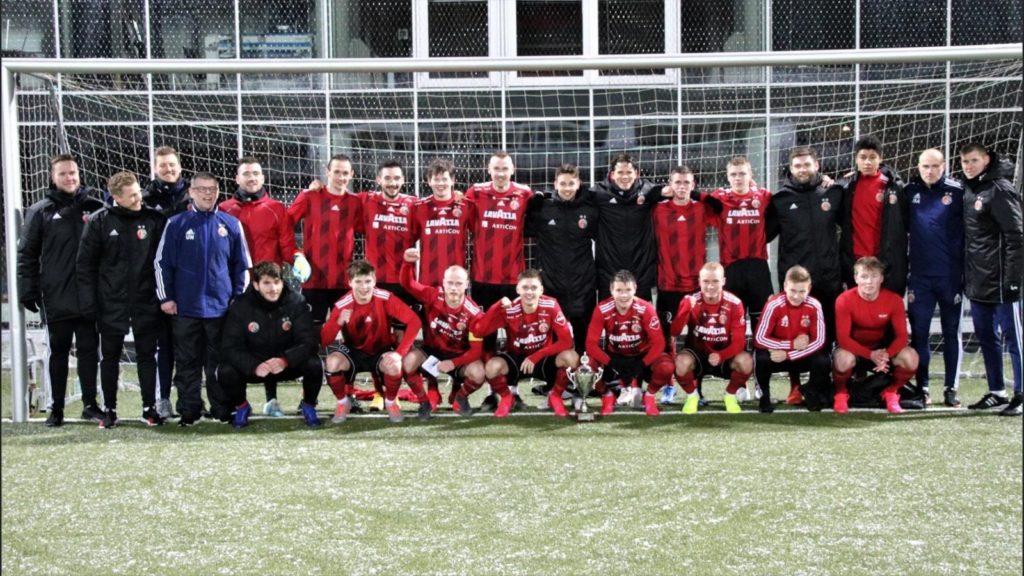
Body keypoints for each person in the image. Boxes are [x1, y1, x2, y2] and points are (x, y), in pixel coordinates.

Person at [155, 172, 252, 425]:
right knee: (187, 363)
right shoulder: (176, 224)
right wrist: (166, 298)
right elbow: (161, 263)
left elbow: (242, 266)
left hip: (220, 309)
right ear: (191, 192)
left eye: (212, 189)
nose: (207, 194)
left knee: (218, 364)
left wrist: (237, 299)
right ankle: (190, 410)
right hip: (185, 308)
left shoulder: (230, 224)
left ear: (218, 192)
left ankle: (221, 409)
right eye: (202, 189)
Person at [18, 154, 105, 426]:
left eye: (73, 173)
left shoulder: (96, 207)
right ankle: (56, 407)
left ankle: (90, 404)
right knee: (59, 350)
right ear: (53, 177)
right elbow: (27, 254)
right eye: (63, 174)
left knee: (90, 350)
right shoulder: (40, 210)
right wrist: (27, 290)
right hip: (57, 294)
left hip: (90, 293)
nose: (70, 178)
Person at [77, 172, 167, 428]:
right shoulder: (99, 221)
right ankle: (109, 409)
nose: (139, 198)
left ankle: (149, 408)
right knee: (110, 356)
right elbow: (85, 266)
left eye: (139, 192)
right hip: (111, 301)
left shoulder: (154, 219)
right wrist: (89, 303)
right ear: (117, 198)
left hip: (146, 299)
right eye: (132, 195)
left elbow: (165, 262)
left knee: (147, 355)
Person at [220, 156, 305, 417]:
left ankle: (272, 400)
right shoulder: (224, 209)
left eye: (256, 173)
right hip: (236, 286)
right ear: (237, 178)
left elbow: (287, 244)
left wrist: (297, 258)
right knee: (238, 342)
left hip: (270, 287)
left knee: (272, 339)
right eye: (246, 174)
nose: (252, 178)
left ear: (263, 177)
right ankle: (237, 403)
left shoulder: (275, 207)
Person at [766, 146, 843, 406]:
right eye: (797, 166)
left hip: (828, 277)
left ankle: (826, 384)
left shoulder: (832, 193)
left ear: (817, 165)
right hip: (796, 284)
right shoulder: (780, 200)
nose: (802, 169)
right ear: (790, 169)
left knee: (829, 333)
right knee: (794, 333)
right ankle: (795, 386)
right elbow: (763, 235)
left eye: (806, 164)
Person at [464, 151, 534, 409]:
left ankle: (513, 391)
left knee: (518, 337)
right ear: (489, 169)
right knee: (487, 338)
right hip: (483, 279)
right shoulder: (476, 193)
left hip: (514, 280)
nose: (501, 173)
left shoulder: (525, 194)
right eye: (496, 168)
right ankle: (494, 392)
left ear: (512, 170)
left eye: (505, 168)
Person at [219, 261, 323, 428]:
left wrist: (285, 360)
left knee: (314, 364)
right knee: (225, 371)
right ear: (256, 285)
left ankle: (308, 405)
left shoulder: (296, 302)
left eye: (277, 282)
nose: (273, 288)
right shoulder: (241, 305)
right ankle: (242, 406)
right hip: (256, 365)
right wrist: (253, 365)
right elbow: (230, 346)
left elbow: (308, 341)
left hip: (286, 364)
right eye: (266, 283)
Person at [320, 260, 426, 424]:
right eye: (358, 282)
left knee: (395, 364)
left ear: (374, 281)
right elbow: (325, 340)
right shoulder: (343, 304)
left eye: (368, 281)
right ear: (350, 283)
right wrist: (338, 322)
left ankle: (390, 402)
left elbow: (415, 322)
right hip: (353, 350)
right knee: (332, 363)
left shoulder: (385, 298)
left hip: (380, 349)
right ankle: (343, 403)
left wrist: (399, 353)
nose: (364, 287)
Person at [960, 143, 1023, 416]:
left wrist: (1013, 280)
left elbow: (1017, 237)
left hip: (1002, 283)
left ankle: (1020, 394)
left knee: (1015, 340)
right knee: (987, 338)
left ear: (986, 159)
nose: (969, 166)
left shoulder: (1000, 189)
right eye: (964, 162)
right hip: (979, 281)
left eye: (974, 160)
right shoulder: (971, 189)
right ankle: (997, 391)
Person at [472, 269, 578, 418]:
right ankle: (507, 397)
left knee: (571, 357)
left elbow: (567, 341)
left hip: (542, 359)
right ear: (517, 289)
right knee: (492, 366)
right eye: (525, 288)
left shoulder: (551, 305)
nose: (529, 292)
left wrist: (537, 356)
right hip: (517, 360)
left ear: (541, 290)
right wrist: (497, 305)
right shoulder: (510, 310)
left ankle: (555, 396)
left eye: (534, 288)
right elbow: (478, 331)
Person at [905, 148, 965, 407]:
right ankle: (923, 388)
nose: (929, 171)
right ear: (918, 167)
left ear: (944, 166)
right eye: (924, 166)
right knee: (919, 334)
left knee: (951, 333)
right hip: (919, 277)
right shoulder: (909, 193)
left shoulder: (958, 192)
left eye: (934, 166)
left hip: (950, 277)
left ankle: (951, 388)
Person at [399, 248, 487, 414]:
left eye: (459, 283)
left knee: (478, 372)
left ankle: (460, 396)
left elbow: (476, 352)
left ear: (466, 285)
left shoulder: (475, 314)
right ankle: (424, 402)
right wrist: (407, 263)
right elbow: (408, 284)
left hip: (459, 356)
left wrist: (453, 363)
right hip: (432, 352)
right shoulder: (433, 295)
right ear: (443, 283)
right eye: (450, 283)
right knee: (407, 363)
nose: (454, 288)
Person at [524, 162, 599, 352]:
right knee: (554, 337)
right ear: (555, 184)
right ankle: (555, 380)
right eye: (563, 184)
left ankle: (584, 376)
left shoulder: (590, 210)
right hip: (552, 284)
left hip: (583, 284)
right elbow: (524, 231)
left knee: (584, 338)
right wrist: (530, 208)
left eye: (571, 184)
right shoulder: (544, 208)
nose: (567, 189)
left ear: (578, 184)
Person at [832, 257, 919, 414]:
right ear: (856, 278)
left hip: (882, 352)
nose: (869, 282)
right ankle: (841, 393)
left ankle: (891, 392)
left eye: (874, 276)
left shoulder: (894, 300)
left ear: (881, 279)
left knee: (911, 357)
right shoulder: (844, 300)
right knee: (842, 359)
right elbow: (843, 339)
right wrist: (869, 354)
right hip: (856, 351)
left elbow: (902, 337)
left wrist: (886, 354)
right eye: (864, 276)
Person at [143, 146, 191, 420]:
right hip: (158, 284)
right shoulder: (146, 199)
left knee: (190, 346)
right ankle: (163, 399)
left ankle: (192, 395)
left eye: (172, 165)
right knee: (165, 346)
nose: (168, 170)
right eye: (163, 166)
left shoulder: (192, 195)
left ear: (179, 167)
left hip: (190, 284)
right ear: (155, 169)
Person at [287, 153, 363, 329]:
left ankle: (343, 358)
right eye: (336, 172)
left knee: (349, 331)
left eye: (345, 173)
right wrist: (295, 253)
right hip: (314, 279)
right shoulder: (309, 196)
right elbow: (285, 225)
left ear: (352, 174)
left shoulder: (356, 202)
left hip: (344, 280)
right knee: (311, 332)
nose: (341, 177)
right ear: (327, 172)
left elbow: (367, 230)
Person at [583, 271, 674, 417]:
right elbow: (590, 345)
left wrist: (641, 364)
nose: (624, 295)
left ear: (635, 288)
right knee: (586, 368)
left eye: (628, 290)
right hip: (615, 356)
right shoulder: (602, 309)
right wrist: (612, 362)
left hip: (641, 355)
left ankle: (649, 397)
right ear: (611, 290)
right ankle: (607, 396)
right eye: (619, 290)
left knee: (666, 367)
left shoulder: (645, 308)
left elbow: (659, 343)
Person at [670, 262, 753, 414]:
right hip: (698, 355)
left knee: (746, 361)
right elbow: (674, 332)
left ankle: (730, 395)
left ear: (723, 281)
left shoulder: (735, 304)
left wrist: (722, 355)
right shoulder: (691, 300)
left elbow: (740, 342)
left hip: (724, 355)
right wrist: (684, 309)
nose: (710, 286)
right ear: (699, 282)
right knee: (679, 362)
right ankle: (692, 396)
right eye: (706, 281)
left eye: (715, 281)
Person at [652, 165, 714, 349]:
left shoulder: (702, 209)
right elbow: (640, 200)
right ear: (670, 184)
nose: (682, 186)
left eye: (686, 182)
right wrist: (658, 193)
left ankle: (694, 375)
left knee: (699, 341)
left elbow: (723, 207)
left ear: (693, 184)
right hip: (667, 285)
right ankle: (665, 377)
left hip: (695, 286)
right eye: (677, 182)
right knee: (664, 340)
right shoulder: (657, 210)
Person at [753, 266, 830, 413]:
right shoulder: (774, 304)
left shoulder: (814, 305)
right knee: (761, 356)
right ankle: (764, 396)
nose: (796, 296)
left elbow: (819, 341)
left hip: (799, 355)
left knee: (824, 359)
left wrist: (789, 353)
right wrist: (790, 344)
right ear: (785, 286)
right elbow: (759, 339)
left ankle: (811, 391)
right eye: (793, 291)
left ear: (809, 288)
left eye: (802, 291)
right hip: (777, 355)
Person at [839, 134, 909, 295]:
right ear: (856, 159)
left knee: (886, 314)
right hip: (856, 261)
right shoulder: (846, 187)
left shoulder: (894, 186)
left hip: (885, 262)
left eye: (872, 157)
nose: (867, 162)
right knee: (859, 315)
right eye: (863, 157)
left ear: (880, 158)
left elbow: (904, 220)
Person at [591, 153, 664, 301]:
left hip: (640, 271)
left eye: (629, 172)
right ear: (612, 174)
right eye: (620, 172)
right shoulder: (598, 193)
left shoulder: (648, 190)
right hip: (609, 272)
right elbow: (572, 197)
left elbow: (678, 192)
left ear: (636, 174)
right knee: (610, 320)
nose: (625, 177)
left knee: (641, 319)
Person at [359, 160, 418, 304]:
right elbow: (340, 195)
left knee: (402, 326)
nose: (392, 183)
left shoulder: (414, 204)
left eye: (397, 178)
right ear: (378, 179)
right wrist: (319, 186)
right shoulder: (366, 200)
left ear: (403, 180)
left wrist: (456, 194)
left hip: (405, 279)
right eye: (387, 178)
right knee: (377, 326)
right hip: (374, 279)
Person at [410, 159, 472, 288]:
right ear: (429, 181)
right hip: (428, 280)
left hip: (456, 280)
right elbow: (408, 238)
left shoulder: (465, 206)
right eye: (436, 179)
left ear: (453, 180)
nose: (440, 183)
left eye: (444, 179)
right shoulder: (419, 207)